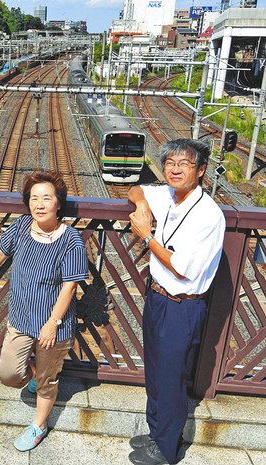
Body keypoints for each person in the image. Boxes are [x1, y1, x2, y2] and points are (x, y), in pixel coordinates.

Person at [0, 171, 88, 452]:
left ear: (58, 204)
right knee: (9, 374)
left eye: (46, 198)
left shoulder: (71, 240)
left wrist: (52, 323)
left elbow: (69, 288)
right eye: (34, 199)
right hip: (20, 318)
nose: (39, 204)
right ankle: (35, 375)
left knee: (47, 381)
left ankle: (39, 425)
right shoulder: (20, 227)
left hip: (53, 325)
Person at [128, 139, 225, 465]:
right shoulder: (169, 195)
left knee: (171, 379)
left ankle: (166, 449)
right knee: (155, 373)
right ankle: (157, 434)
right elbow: (138, 190)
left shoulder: (208, 216)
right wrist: (142, 206)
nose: (175, 169)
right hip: (158, 298)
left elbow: (183, 268)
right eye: (169, 163)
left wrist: (145, 234)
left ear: (200, 170)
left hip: (183, 306)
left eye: (184, 164)